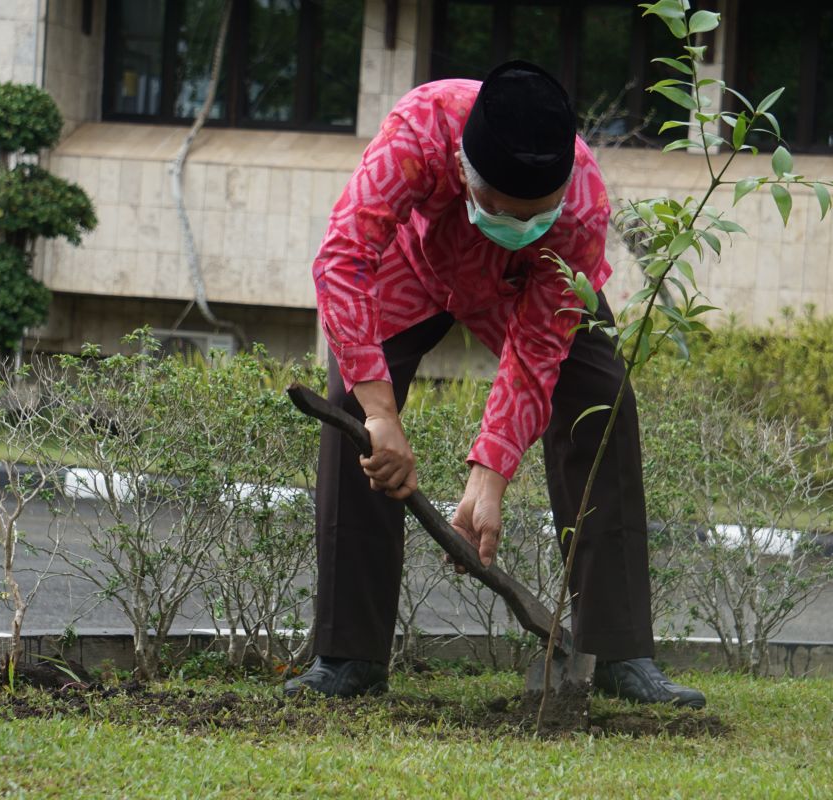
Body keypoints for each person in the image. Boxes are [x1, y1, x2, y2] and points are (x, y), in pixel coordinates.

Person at [283, 61, 704, 708]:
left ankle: (620, 651)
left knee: (601, 398)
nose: (521, 222)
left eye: (535, 214)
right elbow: (343, 257)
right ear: (462, 170)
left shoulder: (581, 206)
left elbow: (538, 349)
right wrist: (380, 413)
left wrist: (490, 476)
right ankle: (348, 656)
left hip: (523, 286)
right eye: (504, 211)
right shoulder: (419, 130)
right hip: (412, 270)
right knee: (354, 413)